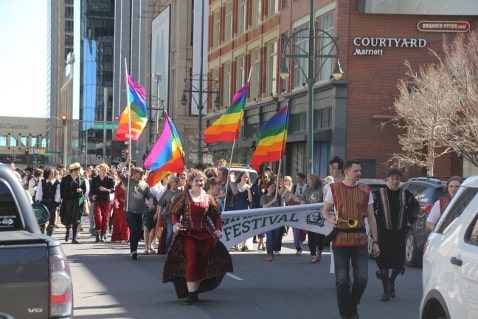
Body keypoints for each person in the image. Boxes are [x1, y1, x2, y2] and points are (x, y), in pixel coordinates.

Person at [162, 169, 233, 303]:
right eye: (197, 181)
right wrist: (176, 224)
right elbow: (174, 213)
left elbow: (216, 216)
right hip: (188, 233)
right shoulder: (184, 197)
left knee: (201, 262)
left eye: (201, 180)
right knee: (191, 260)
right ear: (190, 182)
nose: (200, 183)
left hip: (205, 235)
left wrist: (218, 230)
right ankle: (191, 294)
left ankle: (196, 291)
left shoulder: (209, 198)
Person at [322, 159, 380, 319]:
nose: (360, 173)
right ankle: (347, 314)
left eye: (360, 171)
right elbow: (325, 211)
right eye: (356, 171)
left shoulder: (365, 190)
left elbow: (371, 217)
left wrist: (375, 241)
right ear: (347, 172)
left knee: (362, 278)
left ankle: (351, 305)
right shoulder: (333, 189)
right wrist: (331, 220)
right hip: (340, 239)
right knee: (342, 280)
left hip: (360, 239)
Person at [373, 168, 419, 301]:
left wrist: (411, 218)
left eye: (397, 179)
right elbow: (369, 208)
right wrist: (373, 224)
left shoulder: (405, 194)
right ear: (387, 179)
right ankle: (385, 291)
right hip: (383, 233)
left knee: (398, 264)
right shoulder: (378, 193)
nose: (395, 181)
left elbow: (415, 207)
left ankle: (391, 281)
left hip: (399, 233)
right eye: (392, 179)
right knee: (383, 263)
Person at [122, 166, 155, 260]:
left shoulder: (145, 185)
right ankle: (133, 251)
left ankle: (134, 249)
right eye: (140, 173)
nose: (142, 175)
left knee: (137, 232)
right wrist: (126, 161)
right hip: (130, 211)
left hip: (140, 212)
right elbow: (120, 172)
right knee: (134, 230)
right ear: (135, 173)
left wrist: (151, 204)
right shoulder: (129, 182)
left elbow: (150, 196)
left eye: (143, 173)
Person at [60, 163, 87, 244]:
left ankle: (74, 238)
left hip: (78, 201)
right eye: (77, 170)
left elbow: (84, 189)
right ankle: (68, 230)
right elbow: (62, 190)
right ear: (73, 170)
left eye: (79, 170)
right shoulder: (65, 179)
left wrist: (81, 191)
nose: (79, 172)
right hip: (68, 200)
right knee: (67, 217)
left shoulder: (81, 179)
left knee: (76, 219)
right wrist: (73, 192)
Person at [301, 174, 324, 263]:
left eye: (309, 180)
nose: (308, 182)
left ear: (314, 181)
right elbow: (303, 201)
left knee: (319, 237)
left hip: (320, 216)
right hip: (309, 215)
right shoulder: (307, 190)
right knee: (311, 236)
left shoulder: (321, 190)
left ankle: (320, 250)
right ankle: (313, 254)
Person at [156, 174, 182, 253]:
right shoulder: (166, 193)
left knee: (178, 235)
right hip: (169, 217)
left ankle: (176, 251)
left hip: (179, 217)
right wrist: (158, 215)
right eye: (175, 181)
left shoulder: (181, 192)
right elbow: (160, 204)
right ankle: (167, 251)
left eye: (178, 181)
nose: (177, 182)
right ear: (171, 183)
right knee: (170, 234)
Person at [90, 163, 115, 243]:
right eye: (102, 170)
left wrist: (105, 189)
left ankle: (103, 233)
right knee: (98, 217)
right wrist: (93, 195)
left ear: (107, 171)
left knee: (105, 217)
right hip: (97, 200)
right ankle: (97, 233)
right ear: (99, 170)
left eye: (105, 170)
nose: (103, 171)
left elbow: (112, 190)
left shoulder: (109, 179)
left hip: (106, 200)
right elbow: (91, 191)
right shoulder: (94, 179)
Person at [229, 170, 253, 251]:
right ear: (241, 177)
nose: (246, 178)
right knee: (235, 225)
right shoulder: (235, 185)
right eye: (245, 176)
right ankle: (235, 243)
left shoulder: (248, 186)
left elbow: (250, 200)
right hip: (234, 207)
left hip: (244, 207)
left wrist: (249, 190)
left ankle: (243, 244)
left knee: (243, 226)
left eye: (247, 177)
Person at [35, 166, 61, 235]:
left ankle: (49, 233)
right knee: (42, 220)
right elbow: (39, 192)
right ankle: (41, 232)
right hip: (43, 203)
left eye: (53, 173)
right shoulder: (42, 182)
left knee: (51, 220)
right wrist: (38, 200)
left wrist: (56, 203)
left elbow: (57, 194)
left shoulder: (57, 183)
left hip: (52, 203)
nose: (53, 174)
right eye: (51, 173)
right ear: (47, 174)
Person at [261, 181, 281, 261]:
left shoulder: (277, 196)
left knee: (276, 238)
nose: (273, 188)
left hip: (276, 220)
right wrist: (272, 201)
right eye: (271, 187)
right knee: (270, 237)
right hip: (268, 220)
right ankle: (269, 253)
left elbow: (283, 189)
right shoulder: (264, 197)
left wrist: (280, 181)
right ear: (267, 188)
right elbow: (264, 207)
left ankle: (272, 251)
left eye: (274, 187)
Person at [290, 172, 307, 255]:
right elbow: (291, 196)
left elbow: (307, 198)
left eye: (299, 178)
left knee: (303, 229)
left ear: (303, 178)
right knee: (296, 228)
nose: (297, 180)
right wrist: (291, 196)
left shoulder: (307, 187)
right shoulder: (294, 186)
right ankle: (298, 246)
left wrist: (301, 197)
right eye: (296, 178)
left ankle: (301, 241)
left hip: (303, 207)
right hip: (295, 207)